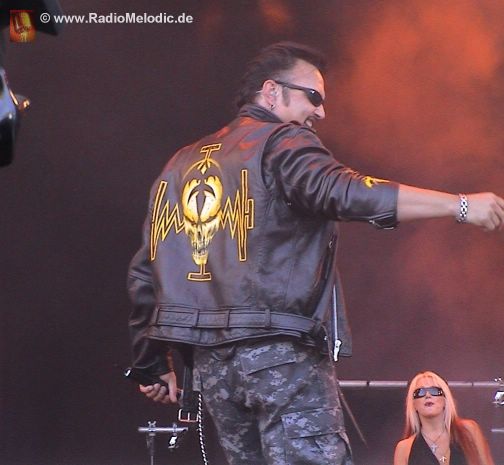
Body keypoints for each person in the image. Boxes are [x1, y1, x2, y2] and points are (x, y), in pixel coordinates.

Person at [127, 41, 504, 465]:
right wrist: (460, 206)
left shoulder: (179, 165)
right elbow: (346, 191)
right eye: (313, 96)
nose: (320, 112)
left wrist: (151, 361)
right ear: (271, 92)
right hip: (281, 355)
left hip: (214, 369)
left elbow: (147, 271)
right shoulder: (283, 142)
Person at [394, 371, 495, 465]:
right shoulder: (404, 448)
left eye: (435, 391)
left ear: (445, 399)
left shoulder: (468, 430)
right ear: (413, 404)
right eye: (420, 392)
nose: (428, 395)